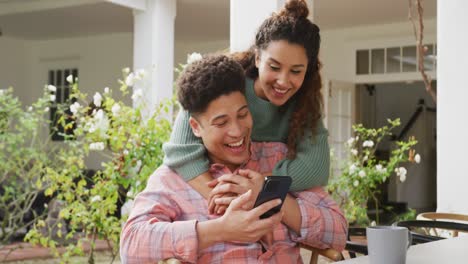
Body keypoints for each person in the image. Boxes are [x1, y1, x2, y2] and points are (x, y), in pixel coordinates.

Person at [120, 55, 347, 263]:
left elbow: (338, 231)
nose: (237, 131)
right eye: (221, 123)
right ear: (196, 127)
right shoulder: (173, 179)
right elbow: (131, 244)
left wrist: (270, 197)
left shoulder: (276, 158)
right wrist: (221, 229)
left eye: (242, 114)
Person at [163, 0, 329, 209]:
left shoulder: (305, 101)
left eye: (296, 71)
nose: (283, 81)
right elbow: (181, 151)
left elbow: (316, 168)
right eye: (274, 66)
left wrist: (254, 187)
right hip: (210, 195)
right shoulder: (223, 80)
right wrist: (223, 198)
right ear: (258, 57)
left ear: (308, 69)